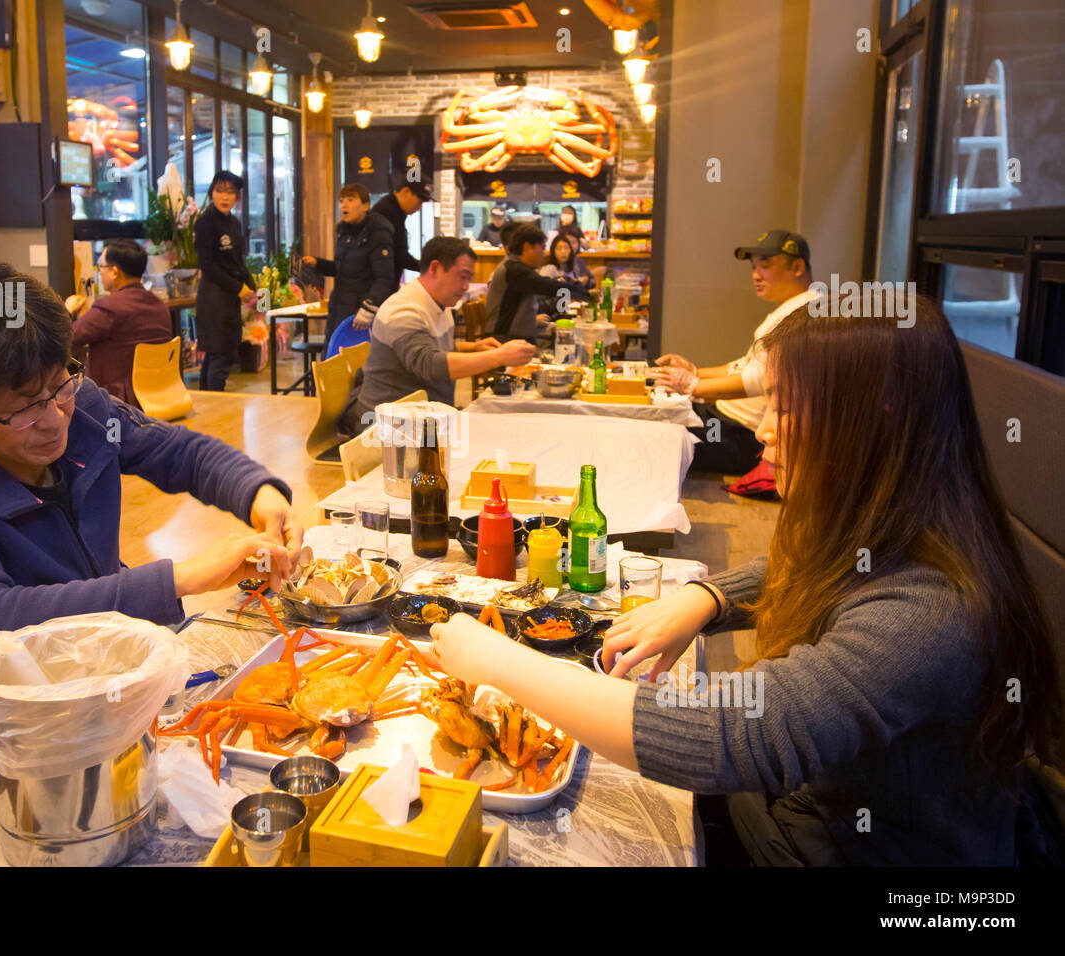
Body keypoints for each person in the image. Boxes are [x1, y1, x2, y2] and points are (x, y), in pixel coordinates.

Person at [429, 297, 1065, 866]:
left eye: (785, 409)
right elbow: (802, 567)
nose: (762, 429)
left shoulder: (931, 612)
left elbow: (737, 736)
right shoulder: (895, 526)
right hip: (809, 808)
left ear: (875, 421)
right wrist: (705, 598)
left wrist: (495, 661)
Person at [0, 258, 303, 671]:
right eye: (25, 407)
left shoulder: (85, 409)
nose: (54, 419)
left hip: (116, 656)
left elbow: (181, 453)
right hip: (28, 703)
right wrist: (180, 578)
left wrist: (259, 494)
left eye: (59, 383)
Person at [656, 229, 818, 476]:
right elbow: (746, 365)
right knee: (658, 412)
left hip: (741, 436)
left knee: (659, 436)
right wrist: (694, 372)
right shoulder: (791, 309)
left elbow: (761, 380)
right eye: (753, 267)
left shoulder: (804, 315)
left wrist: (693, 387)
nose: (756, 275)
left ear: (797, 267)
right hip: (724, 419)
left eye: (765, 265)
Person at [339, 237, 536, 436]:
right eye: (463, 276)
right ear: (435, 268)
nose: (467, 286)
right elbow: (430, 364)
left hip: (425, 419)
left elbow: (436, 345)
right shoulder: (402, 310)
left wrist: (473, 347)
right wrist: (499, 357)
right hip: (388, 427)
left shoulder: (439, 303)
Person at [64, 238, 174, 406]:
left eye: (101, 266)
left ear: (115, 272)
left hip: (116, 401)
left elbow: (64, 339)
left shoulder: (110, 308)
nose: (99, 272)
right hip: (159, 394)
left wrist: (67, 311)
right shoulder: (159, 306)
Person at [303, 183, 395, 337]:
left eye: (350, 200)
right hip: (339, 306)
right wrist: (318, 264)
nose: (343, 205)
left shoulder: (378, 233)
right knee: (332, 356)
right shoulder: (343, 232)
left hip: (360, 312)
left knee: (354, 357)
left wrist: (368, 309)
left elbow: (384, 278)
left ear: (366, 206)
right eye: (341, 201)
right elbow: (342, 269)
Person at [193, 171, 256, 392]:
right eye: (220, 191)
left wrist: (251, 285)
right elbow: (207, 266)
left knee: (220, 354)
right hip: (213, 298)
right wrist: (239, 288)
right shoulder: (205, 223)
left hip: (230, 297)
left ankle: (207, 402)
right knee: (218, 356)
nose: (225, 197)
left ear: (237, 196)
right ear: (212, 193)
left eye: (230, 192)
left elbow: (237, 261)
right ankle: (214, 407)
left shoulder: (234, 224)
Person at [485, 224, 590, 342]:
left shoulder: (519, 268)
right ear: (527, 247)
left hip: (516, 337)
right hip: (503, 339)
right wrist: (585, 294)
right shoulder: (514, 269)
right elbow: (548, 286)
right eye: (542, 247)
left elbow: (547, 290)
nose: (544, 253)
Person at [371, 179, 431, 284]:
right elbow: (399, 256)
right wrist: (426, 268)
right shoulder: (388, 212)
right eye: (420, 201)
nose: (420, 207)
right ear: (405, 192)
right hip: (378, 286)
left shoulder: (392, 208)